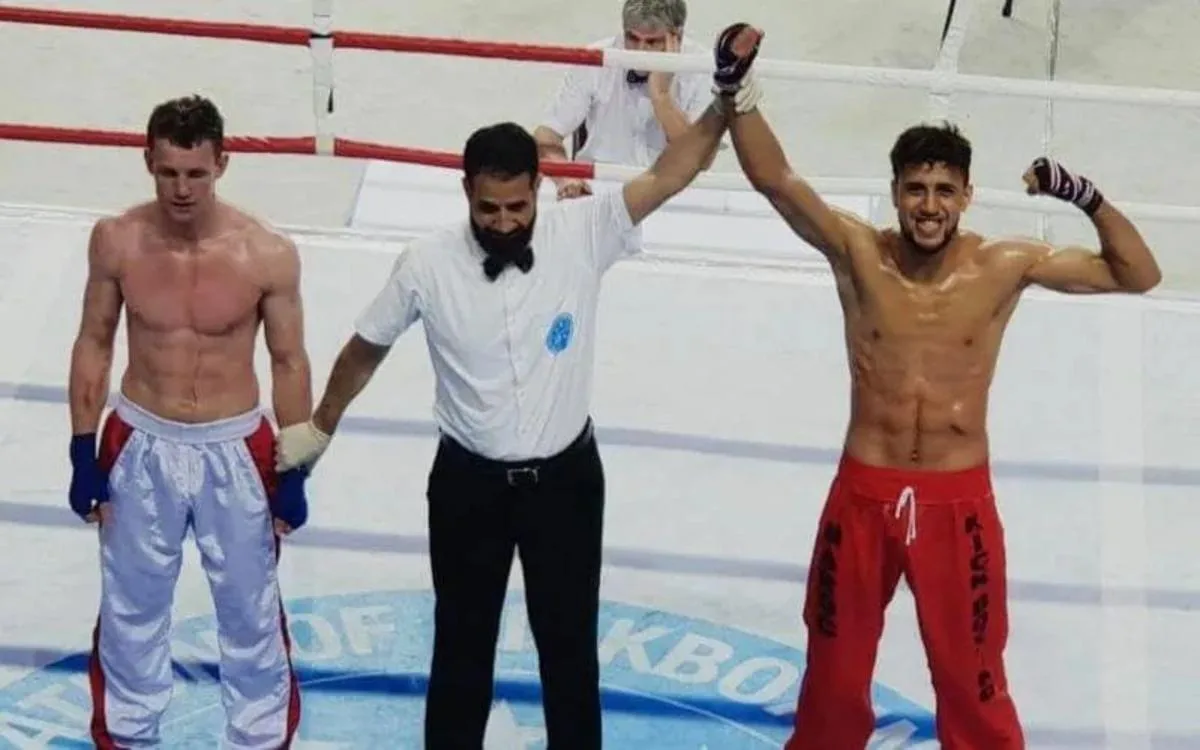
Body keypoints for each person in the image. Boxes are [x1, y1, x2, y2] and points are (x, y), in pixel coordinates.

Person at [272, 25, 762, 748]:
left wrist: (723, 99)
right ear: (465, 192)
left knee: (570, 652)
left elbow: (672, 171)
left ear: (538, 187)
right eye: (488, 209)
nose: (504, 223)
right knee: (460, 649)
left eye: (517, 207)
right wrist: (321, 426)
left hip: (566, 485)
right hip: (467, 487)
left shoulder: (583, 230)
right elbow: (364, 349)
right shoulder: (426, 263)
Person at [718, 43, 1163, 750]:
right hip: (863, 494)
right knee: (833, 670)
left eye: (944, 190)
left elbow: (1138, 274)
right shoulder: (858, 252)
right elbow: (775, 179)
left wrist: (1084, 196)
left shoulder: (1004, 265)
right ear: (895, 192)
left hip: (957, 503)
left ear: (966, 195)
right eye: (916, 189)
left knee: (972, 674)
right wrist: (735, 89)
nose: (929, 206)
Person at [67, 95, 312, 749]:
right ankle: (127, 738)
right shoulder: (117, 240)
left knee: (251, 611)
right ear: (148, 160)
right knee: (130, 608)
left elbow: (288, 361)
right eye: (169, 172)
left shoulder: (265, 252)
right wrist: (82, 450)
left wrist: (295, 468)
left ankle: (259, 741)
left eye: (196, 174)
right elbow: (94, 340)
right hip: (139, 439)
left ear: (222, 164)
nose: (182, 189)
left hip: (236, 446)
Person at [533, 0, 715, 201]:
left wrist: (661, 96)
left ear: (677, 37)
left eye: (652, 42)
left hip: (673, 190)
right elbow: (546, 136)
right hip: (598, 188)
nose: (639, 50)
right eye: (632, 38)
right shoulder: (595, 58)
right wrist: (566, 178)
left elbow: (703, 159)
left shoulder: (702, 68)